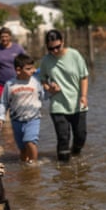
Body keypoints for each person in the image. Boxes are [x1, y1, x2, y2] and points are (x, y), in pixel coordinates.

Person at [39, 29, 89, 162]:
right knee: (63, 138)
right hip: (58, 105)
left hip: (77, 104)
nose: (54, 51)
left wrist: (83, 96)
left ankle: (76, 156)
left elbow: (83, 77)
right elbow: (42, 79)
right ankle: (64, 174)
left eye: (57, 47)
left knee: (80, 136)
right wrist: (49, 88)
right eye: (51, 48)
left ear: (63, 42)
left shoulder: (74, 55)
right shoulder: (46, 61)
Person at [0, 53, 44, 165]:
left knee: (30, 142)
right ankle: (24, 166)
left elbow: (43, 95)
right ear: (18, 70)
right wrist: (1, 117)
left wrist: (51, 90)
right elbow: (3, 102)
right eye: (28, 69)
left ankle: (34, 165)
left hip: (33, 119)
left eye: (33, 67)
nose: (33, 70)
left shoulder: (36, 81)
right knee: (22, 149)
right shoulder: (10, 84)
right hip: (16, 121)